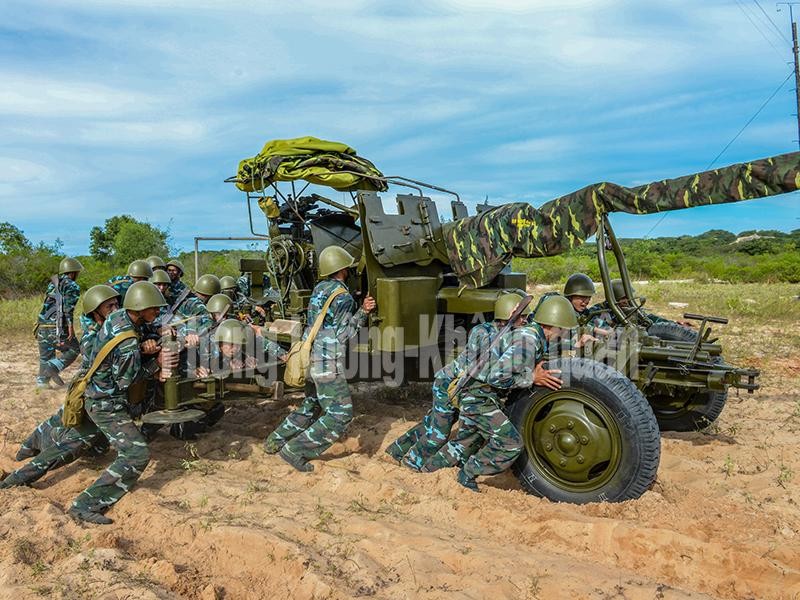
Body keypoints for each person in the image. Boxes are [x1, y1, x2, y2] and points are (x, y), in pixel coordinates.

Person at [425, 293, 576, 491]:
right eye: (564, 330)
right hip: (478, 397)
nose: (564, 334)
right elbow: (497, 377)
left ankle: (427, 472)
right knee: (510, 444)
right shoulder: (528, 341)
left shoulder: (532, 335)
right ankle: (467, 473)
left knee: (464, 443)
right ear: (555, 325)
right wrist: (531, 378)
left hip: (477, 393)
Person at [264, 246, 375, 472]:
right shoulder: (342, 297)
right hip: (327, 361)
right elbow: (345, 333)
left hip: (311, 355)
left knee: (311, 405)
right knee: (340, 413)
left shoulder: (320, 288)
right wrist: (363, 311)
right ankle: (295, 450)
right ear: (343, 268)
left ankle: (274, 442)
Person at [68, 281, 169, 524]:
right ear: (140, 307)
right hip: (106, 403)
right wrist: (157, 363)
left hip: (97, 395)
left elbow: (147, 330)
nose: (157, 311)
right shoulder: (127, 344)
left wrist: (154, 341)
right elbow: (127, 382)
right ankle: (84, 505)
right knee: (136, 453)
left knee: (68, 446)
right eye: (154, 307)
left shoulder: (119, 318)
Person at [4, 286, 121, 487]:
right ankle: (14, 479)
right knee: (76, 440)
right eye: (109, 306)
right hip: (90, 394)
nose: (115, 309)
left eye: (116, 304)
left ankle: (30, 445)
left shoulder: (114, 328)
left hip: (100, 394)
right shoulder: (93, 335)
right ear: (96, 312)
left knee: (87, 439)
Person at [35, 257, 83, 389]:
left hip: (42, 324)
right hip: (56, 326)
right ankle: (52, 368)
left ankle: (42, 382)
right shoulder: (72, 286)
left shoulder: (53, 283)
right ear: (73, 273)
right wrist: (70, 326)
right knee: (74, 349)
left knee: (46, 354)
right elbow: (68, 308)